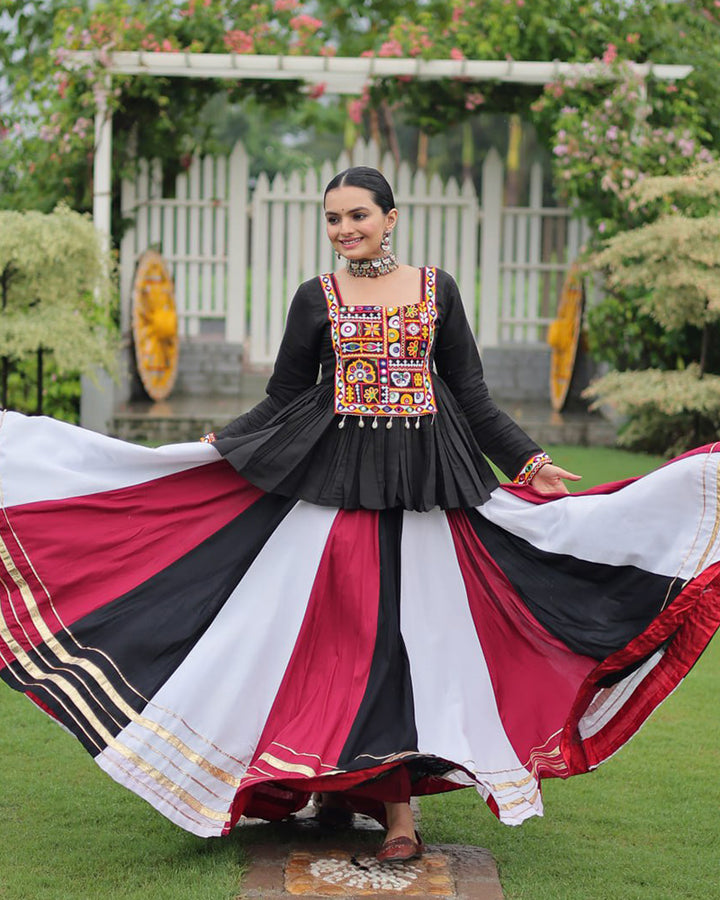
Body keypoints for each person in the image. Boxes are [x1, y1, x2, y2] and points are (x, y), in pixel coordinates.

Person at [1, 167, 718, 866]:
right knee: (334, 643)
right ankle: (332, 787)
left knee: (405, 649)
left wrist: (529, 462)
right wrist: (213, 448)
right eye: (334, 218)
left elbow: (471, 395)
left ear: (390, 218)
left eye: (358, 215)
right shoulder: (315, 297)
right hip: (335, 496)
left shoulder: (437, 290)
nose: (345, 229)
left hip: (424, 501)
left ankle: (397, 815)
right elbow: (284, 396)